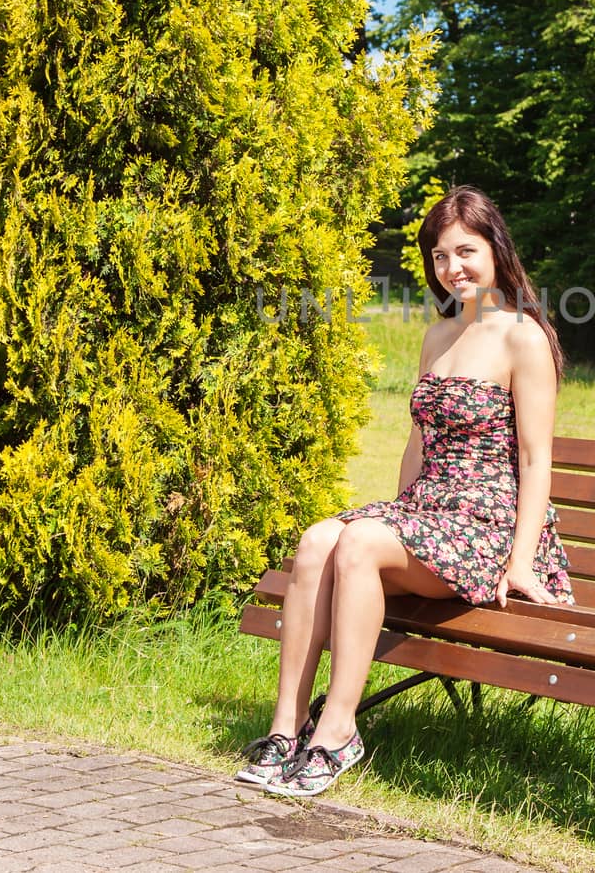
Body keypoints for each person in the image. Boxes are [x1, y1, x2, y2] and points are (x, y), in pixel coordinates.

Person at [237, 185, 575, 797]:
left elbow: (535, 457)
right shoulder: (439, 335)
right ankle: (286, 728)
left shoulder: (523, 336)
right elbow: (419, 441)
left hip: (487, 527)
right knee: (318, 541)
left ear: (496, 249)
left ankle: (337, 733)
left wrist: (522, 563)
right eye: (440, 257)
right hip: (430, 514)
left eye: (466, 251)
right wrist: (397, 516)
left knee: (360, 544)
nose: (454, 269)